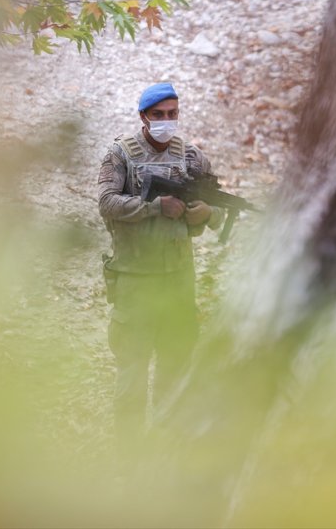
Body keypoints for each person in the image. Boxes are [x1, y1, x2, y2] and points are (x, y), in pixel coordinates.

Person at [97, 82, 225, 453]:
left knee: (176, 368)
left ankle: (166, 454)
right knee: (132, 374)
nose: (167, 120)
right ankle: (129, 455)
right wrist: (155, 208)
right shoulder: (120, 155)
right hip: (135, 280)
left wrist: (206, 213)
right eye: (159, 115)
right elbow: (106, 202)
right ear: (143, 116)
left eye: (172, 113)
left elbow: (216, 206)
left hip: (178, 281)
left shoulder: (192, 158)